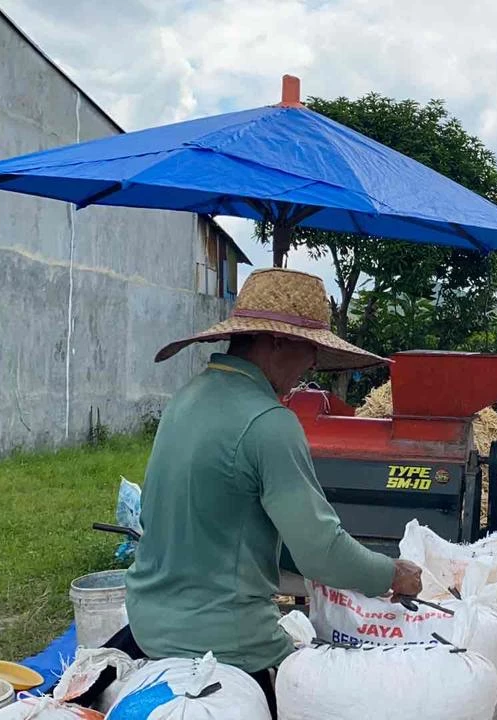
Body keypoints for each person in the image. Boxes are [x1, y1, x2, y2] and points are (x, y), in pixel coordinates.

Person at [89, 268, 422, 718]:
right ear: (276, 342)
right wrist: (391, 574)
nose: (311, 367)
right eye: (310, 351)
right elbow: (321, 553)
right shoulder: (270, 423)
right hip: (224, 640)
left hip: (149, 620)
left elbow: (199, 519)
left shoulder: (186, 399)